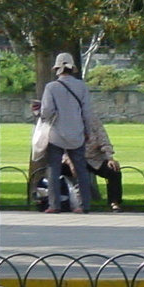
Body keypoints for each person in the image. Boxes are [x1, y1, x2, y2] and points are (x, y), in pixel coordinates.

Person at [38, 51, 95, 214]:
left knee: (53, 169)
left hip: (56, 134)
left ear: (57, 68)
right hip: (77, 132)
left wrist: (39, 113)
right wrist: (87, 131)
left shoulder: (51, 87)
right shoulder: (81, 86)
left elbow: (47, 111)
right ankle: (84, 204)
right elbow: (87, 112)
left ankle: (54, 204)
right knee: (81, 169)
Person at [83, 111, 123, 211]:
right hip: (74, 158)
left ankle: (114, 202)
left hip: (95, 158)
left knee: (113, 171)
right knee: (56, 169)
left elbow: (103, 139)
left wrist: (110, 158)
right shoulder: (66, 121)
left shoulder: (92, 120)